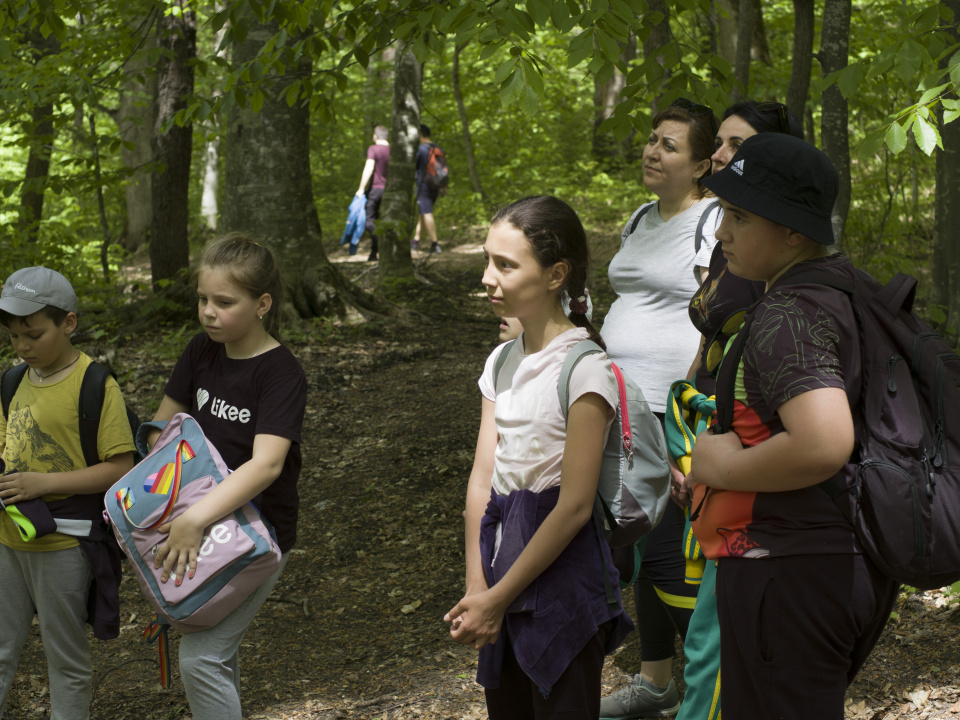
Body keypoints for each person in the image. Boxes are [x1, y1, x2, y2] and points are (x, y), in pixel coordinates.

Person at [690, 133, 899, 720]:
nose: (722, 232)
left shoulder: (789, 311)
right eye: (722, 212)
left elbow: (822, 442)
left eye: (739, 216)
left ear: (793, 231)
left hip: (788, 571)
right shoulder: (842, 290)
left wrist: (719, 465)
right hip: (834, 560)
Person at [445, 195, 634, 719]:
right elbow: (482, 479)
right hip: (500, 563)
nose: (488, 277)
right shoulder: (501, 360)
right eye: (488, 260)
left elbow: (573, 506)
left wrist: (497, 597)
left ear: (556, 275)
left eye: (505, 264)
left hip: (564, 581)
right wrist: (478, 587)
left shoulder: (585, 369)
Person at [674, 100, 803, 720]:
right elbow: (712, 338)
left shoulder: (778, 268)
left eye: (739, 146)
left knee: (717, 630)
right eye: (720, 143)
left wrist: (716, 464)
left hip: (745, 458)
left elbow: (804, 423)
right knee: (702, 610)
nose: (721, 154)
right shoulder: (733, 238)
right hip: (710, 435)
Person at [145, 234, 307, 720]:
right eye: (202, 299)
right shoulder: (201, 352)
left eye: (224, 302)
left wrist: (194, 519)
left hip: (257, 532)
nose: (208, 312)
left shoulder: (281, 374)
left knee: (202, 657)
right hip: (198, 519)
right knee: (217, 651)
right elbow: (163, 430)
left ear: (262, 304)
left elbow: (267, 464)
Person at [599, 98, 719, 720]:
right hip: (619, 405)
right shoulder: (642, 216)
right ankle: (656, 681)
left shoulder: (713, 220)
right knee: (641, 540)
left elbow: (715, 318)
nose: (652, 150)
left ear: (702, 163)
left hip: (671, 410)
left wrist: (691, 420)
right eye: (652, 140)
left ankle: (712, 685)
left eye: (670, 145)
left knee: (672, 544)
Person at [0, 267, 136, 720]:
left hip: (64, 543)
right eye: (14, 335)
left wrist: (45, 483)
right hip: (8, 540)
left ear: (69, 323)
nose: (21, 346)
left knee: (65, 661)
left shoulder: (95, 385)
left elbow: (120, 468)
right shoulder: (11, 381)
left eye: (33, 334)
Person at [355, 124, 390, 262]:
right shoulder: (393, 150)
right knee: (384, 221)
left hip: (375, 190)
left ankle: (377, 247)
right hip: (389, 191)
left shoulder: (373, 148)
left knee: (370, 221)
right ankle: (376, 252)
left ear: (375, 137)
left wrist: (361, 188)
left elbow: (369, 168)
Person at [413, 123, 443, 254]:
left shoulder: (420, 149)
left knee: (426, 213)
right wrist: (444, 186)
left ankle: (435, 244)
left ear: (420, 134)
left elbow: (412, 166)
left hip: (423, 185)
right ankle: (415, 240)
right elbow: (442, 169)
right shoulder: (438, 148)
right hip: (436, 185)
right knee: (423, 213)